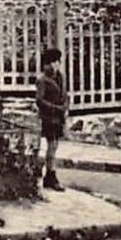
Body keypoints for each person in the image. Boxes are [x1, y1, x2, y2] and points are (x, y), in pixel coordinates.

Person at [35, 46, 70, 191]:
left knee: (55, 146)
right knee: (51, 146)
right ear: (47, 64)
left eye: (58, 61)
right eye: (54, 62)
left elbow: (65, 94)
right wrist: (56, 108)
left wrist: (66, 107)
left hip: (59, 117)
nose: (57, 64)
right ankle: (50, 175)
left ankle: (48, 174)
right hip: (49, 118)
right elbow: (40, 100)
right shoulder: (42, 80)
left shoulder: (60, 77)